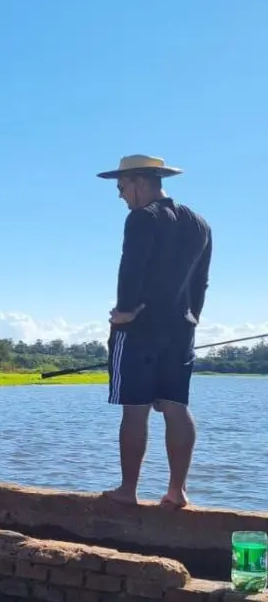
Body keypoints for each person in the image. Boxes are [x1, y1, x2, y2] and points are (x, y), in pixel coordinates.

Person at [96, 155, 212, 509]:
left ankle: (127, 490)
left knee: (135, 410)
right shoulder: (199, 224)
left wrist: (124, 312)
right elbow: (201, 281)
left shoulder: (141, 217)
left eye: (121, 187)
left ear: (139, 181)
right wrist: (192, 317)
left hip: (139, 329)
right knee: (176, 407)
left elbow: (130, 268)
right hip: (181, 329)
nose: (120, 195)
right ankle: (177, 492)